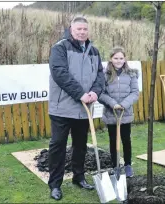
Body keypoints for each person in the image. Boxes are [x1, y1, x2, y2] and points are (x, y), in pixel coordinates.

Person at [48, 16, 105, 200]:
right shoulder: (60, 48)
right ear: (71, 29)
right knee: (58, 146)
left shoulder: (94, 51)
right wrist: (80, 94)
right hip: (62, 108)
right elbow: (60, 73)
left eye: (85, 29)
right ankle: (55, 184)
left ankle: (78, 177)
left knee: (80, 146)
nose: (82, 32)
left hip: (84, 109)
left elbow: (100, 76)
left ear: (88, 31)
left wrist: (95, 93)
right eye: (78, 29)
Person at [98, 46, 139, 178]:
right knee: (113, 140)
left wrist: (123, 104)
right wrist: (113, 104)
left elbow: (135, 93)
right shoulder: (105, 74)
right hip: (111, 114)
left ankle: (127, 165)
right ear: (111, 59)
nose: (118, 60)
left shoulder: (131, 74)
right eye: (116, 58)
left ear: (125, 59)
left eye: (121, 58)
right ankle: (115, 166)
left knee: (126, 140)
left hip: (125, 114)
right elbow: (101, 94)